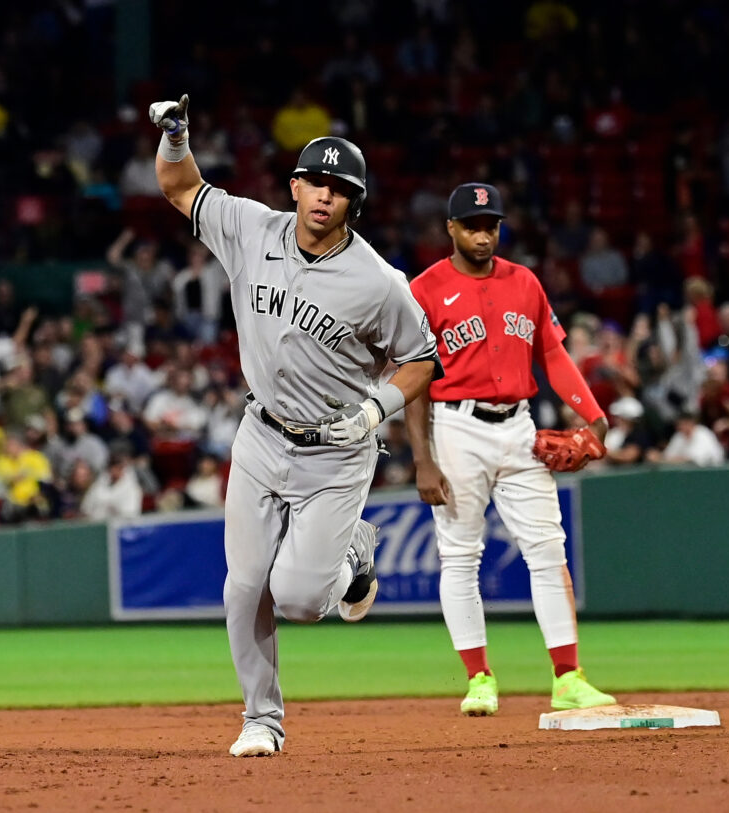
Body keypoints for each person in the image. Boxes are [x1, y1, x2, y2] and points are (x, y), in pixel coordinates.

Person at [150, 94, 440, 757]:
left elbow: (422, 358)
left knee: (301, 598)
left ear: (353, 204)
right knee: (243, 584)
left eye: (340, 189)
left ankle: (352, 559)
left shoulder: (378, 282)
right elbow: (178, 184)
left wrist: (375, 411)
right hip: (260, 434)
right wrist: (175, 133)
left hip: (338, 450)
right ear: (295, 185)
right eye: (315, 181)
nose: (323, 195)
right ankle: (262, 718)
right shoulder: (251, 228)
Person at [404, 182, 615, 718]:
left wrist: (592, 416)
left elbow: (553, 355)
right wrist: (422, 458)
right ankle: (478, 678)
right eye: (472, 225)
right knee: (460, 556)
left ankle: (568, 677)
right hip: (456, 429)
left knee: (548, 552)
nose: (483, 234)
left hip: (520, 426)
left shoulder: (525, 282)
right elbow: (413, 378)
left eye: (491, 225)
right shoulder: (426, 289)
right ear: (450, 228)